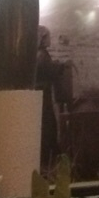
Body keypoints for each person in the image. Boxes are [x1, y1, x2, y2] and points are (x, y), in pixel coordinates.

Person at [35, 25, 66, 169]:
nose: (50, 39)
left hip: (41, 94)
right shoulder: (42, 55)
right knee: (48, 125)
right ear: (42, 39)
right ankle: (49, 159)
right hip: (43, 95)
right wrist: (61, 66)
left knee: (48, 124)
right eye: (48, 37)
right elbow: (49, 71)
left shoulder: (40, 54)